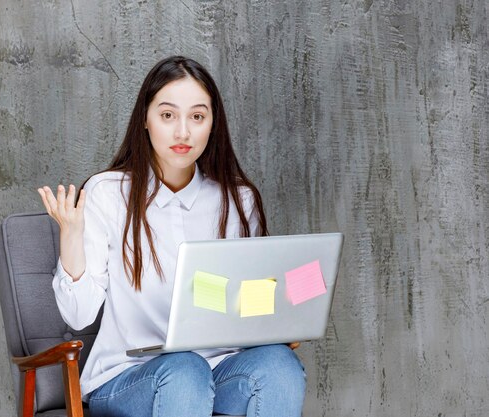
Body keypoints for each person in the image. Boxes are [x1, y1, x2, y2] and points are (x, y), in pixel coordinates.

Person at [37, 56, 306, 417]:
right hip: (127, 377)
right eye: (167, 116)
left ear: (213, 124)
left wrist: (279, 321)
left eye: (197, 117)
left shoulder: (237, 199)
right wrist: (71, 235)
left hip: (219, 370)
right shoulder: (108, 193)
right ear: (145, 121)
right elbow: (79, 314)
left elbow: (245, 297)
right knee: (184, 370)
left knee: (279, 366)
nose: (183, 133)